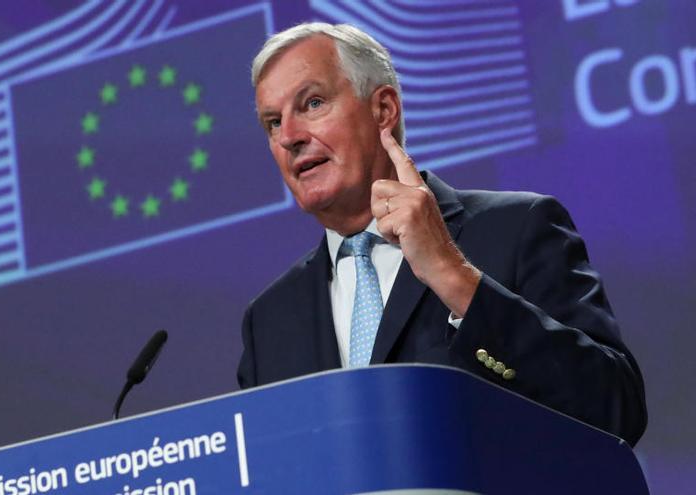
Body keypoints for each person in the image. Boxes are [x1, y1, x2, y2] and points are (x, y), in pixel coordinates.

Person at [237, 23, 647, 446]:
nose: (288, 137)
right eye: (272, 122)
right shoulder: (269, 321)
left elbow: (614, 409)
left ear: (382, 110)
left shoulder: (518, 228)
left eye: (313, 103)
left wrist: (453, 275)